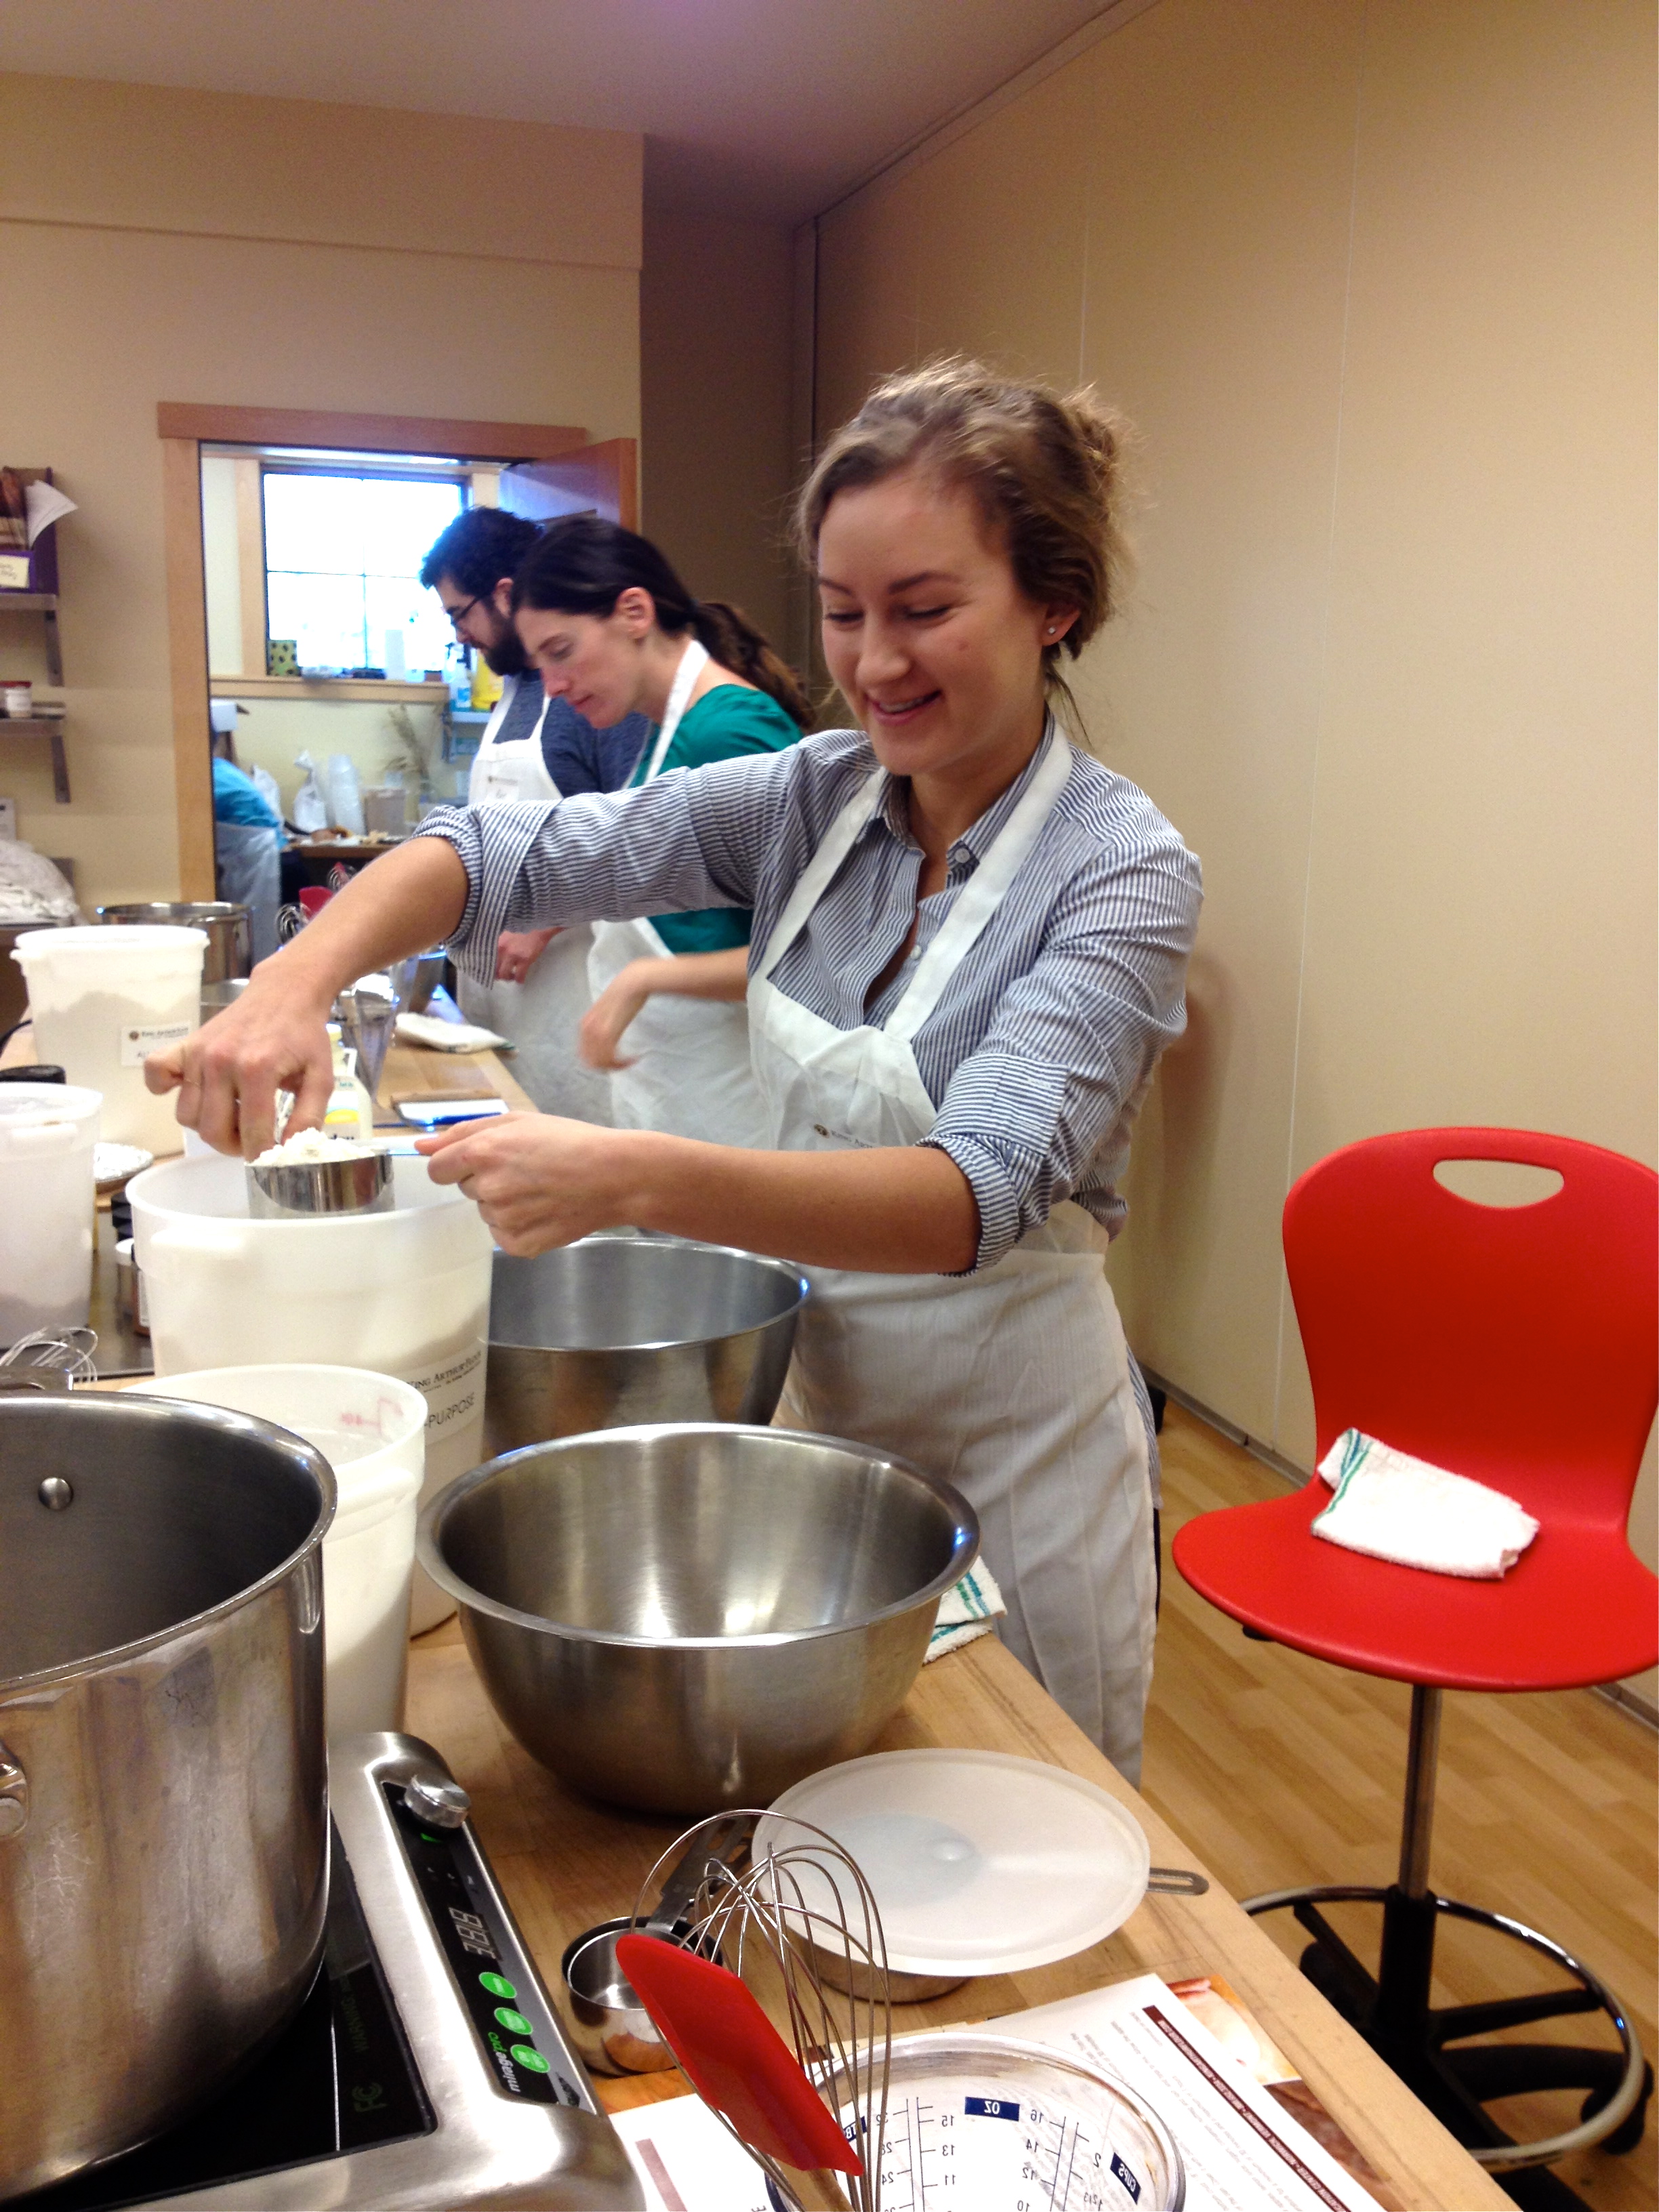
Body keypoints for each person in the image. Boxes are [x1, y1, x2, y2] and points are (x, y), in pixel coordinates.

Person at [151, 360, 1202, 1782]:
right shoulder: (813, 799)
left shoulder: (1120, 870)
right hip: (830, 1427)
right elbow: (492, 853)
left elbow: (975, 1194)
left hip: (1021, 1448)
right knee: (844, 1805)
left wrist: (635, 1178)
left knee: (1021, 1798)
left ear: (1053, 602)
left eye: (924, 609)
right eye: (843, 612)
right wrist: (290, 984)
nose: (875, 663)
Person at [508, 514, 811, 1145]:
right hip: (686, 1111)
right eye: (540, 665)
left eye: (561, 652)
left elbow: (815, 955)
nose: (553, 687)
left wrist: (644, 979)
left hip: (742, 1118)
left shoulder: (728, 732)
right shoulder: (666, 733)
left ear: (635, 612)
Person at [419, 506, 650, 1118]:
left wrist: (545, 922)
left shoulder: (591, 695)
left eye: (459, 614)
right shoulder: (514, 691)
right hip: (499, 1004)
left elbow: (641, 838)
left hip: (576, 999)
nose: (460, 635)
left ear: (502, 593)